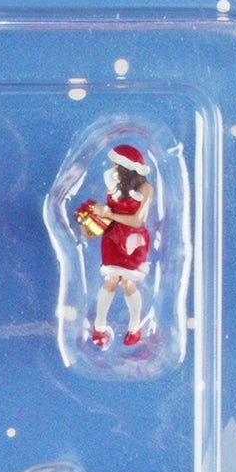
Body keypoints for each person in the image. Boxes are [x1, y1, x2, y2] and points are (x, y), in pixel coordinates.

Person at [86, 142, 154, 348]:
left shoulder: (146, 189)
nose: (113, 168)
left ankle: (135, 326)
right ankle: (99, 326)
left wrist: (111, 214)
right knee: (111, 279)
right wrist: (98, 212)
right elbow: (109, 207)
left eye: (116, 165)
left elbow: (137, 220)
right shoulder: (112, 182)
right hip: (113, 237)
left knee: (128, 283)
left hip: (133, 240)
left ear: (126, 169)